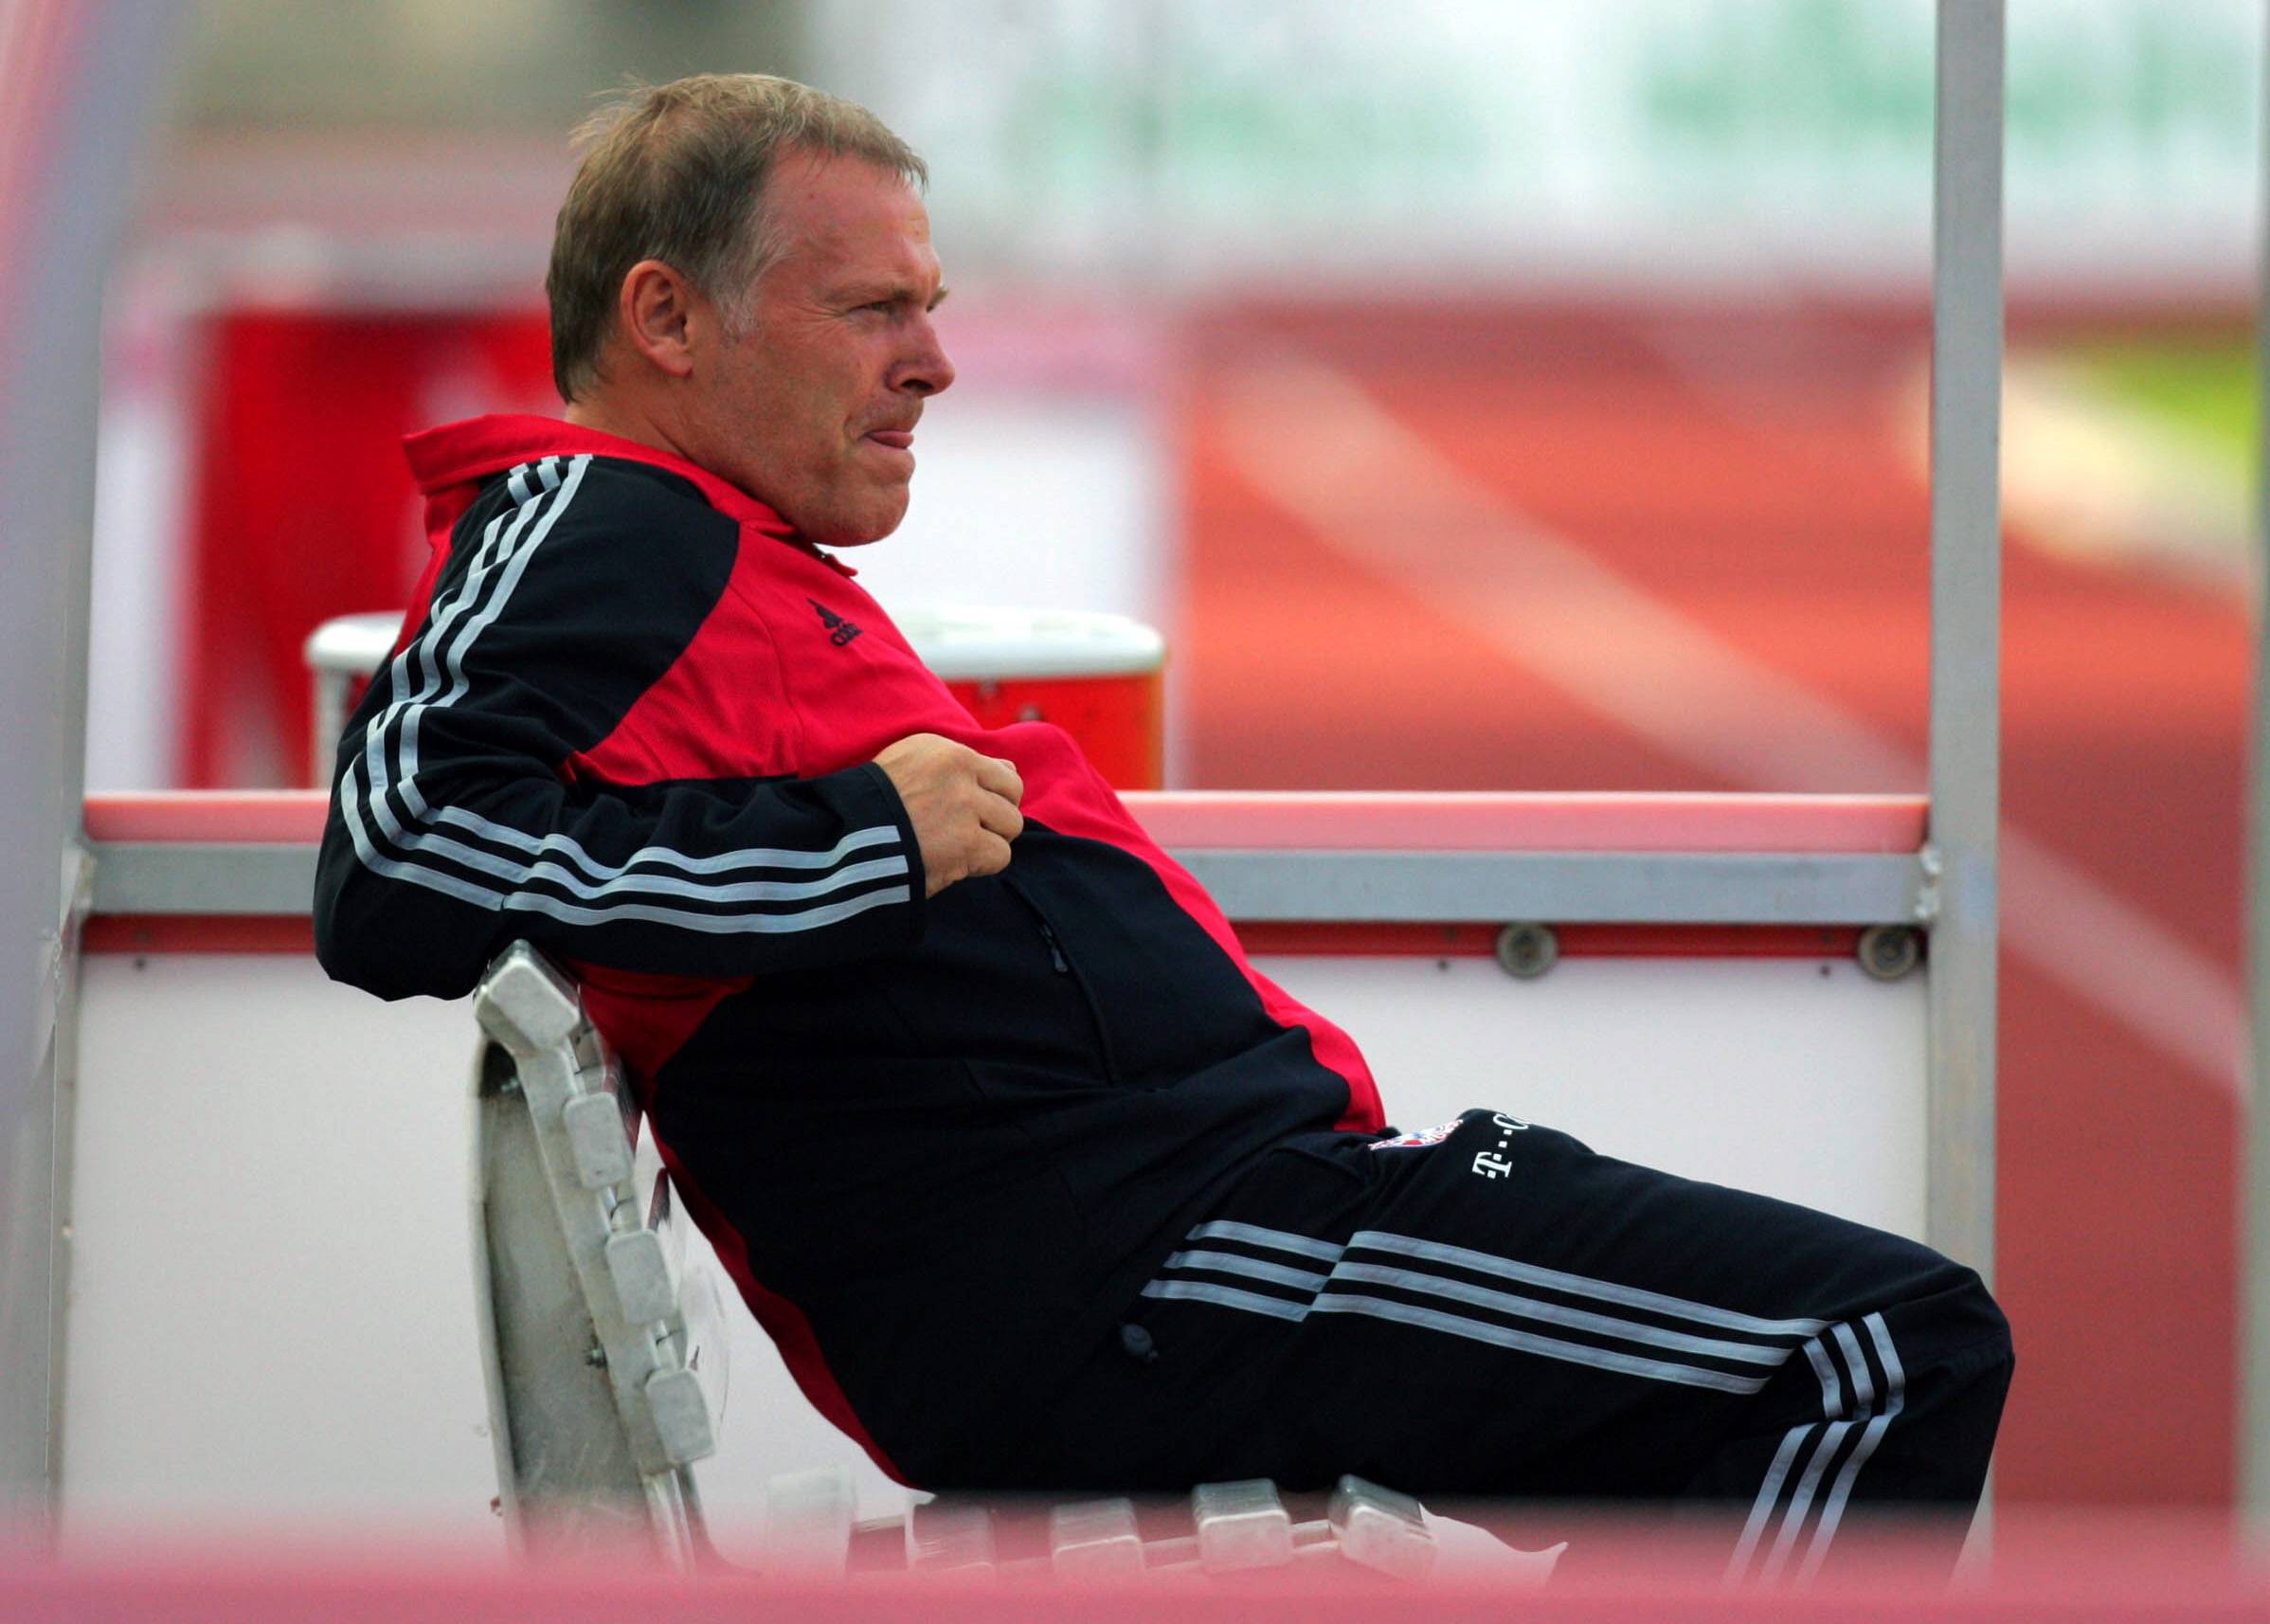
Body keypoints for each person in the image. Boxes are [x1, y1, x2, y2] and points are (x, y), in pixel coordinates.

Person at [313, 73, 2010, 1579]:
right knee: (1879, 1349)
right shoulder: (600, 517)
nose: (937, 359)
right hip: (1150, 1273)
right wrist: (861, 839)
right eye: (871, 308)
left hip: (1209, 1238)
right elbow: (389, 866)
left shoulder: (707, 546)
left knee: (1760, 1397)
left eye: (935, 303)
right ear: (668, 320)